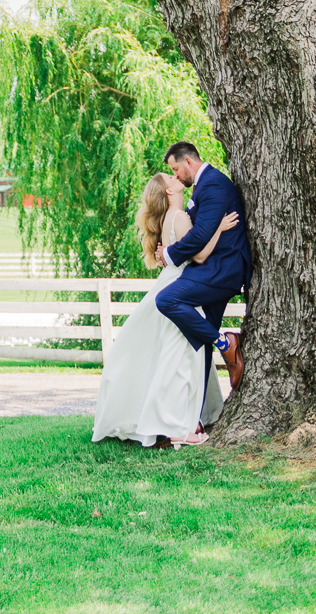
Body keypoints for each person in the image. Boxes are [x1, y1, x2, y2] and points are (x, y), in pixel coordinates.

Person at [90, 171, 238, 448]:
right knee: (179, 357)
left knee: (175, 355)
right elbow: (200, 255)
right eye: (169, 178)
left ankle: (181, 419)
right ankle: (177, 423)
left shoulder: (174, 217)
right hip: (180, 285)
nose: (175, 177)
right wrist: (218, 227)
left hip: (171, 281)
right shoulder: (179, 217)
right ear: (169, 192)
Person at [155, 141, 251, 398]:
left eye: (175, 169)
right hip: (210, 268)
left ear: (188, 162)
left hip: (222, 270)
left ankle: (226, 343)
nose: (175, 176)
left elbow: (199, 236)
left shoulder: (213, 185)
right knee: (199, 346)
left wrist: (168, 254)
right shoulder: (203, 186)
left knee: (166, 299)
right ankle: (194, 415)